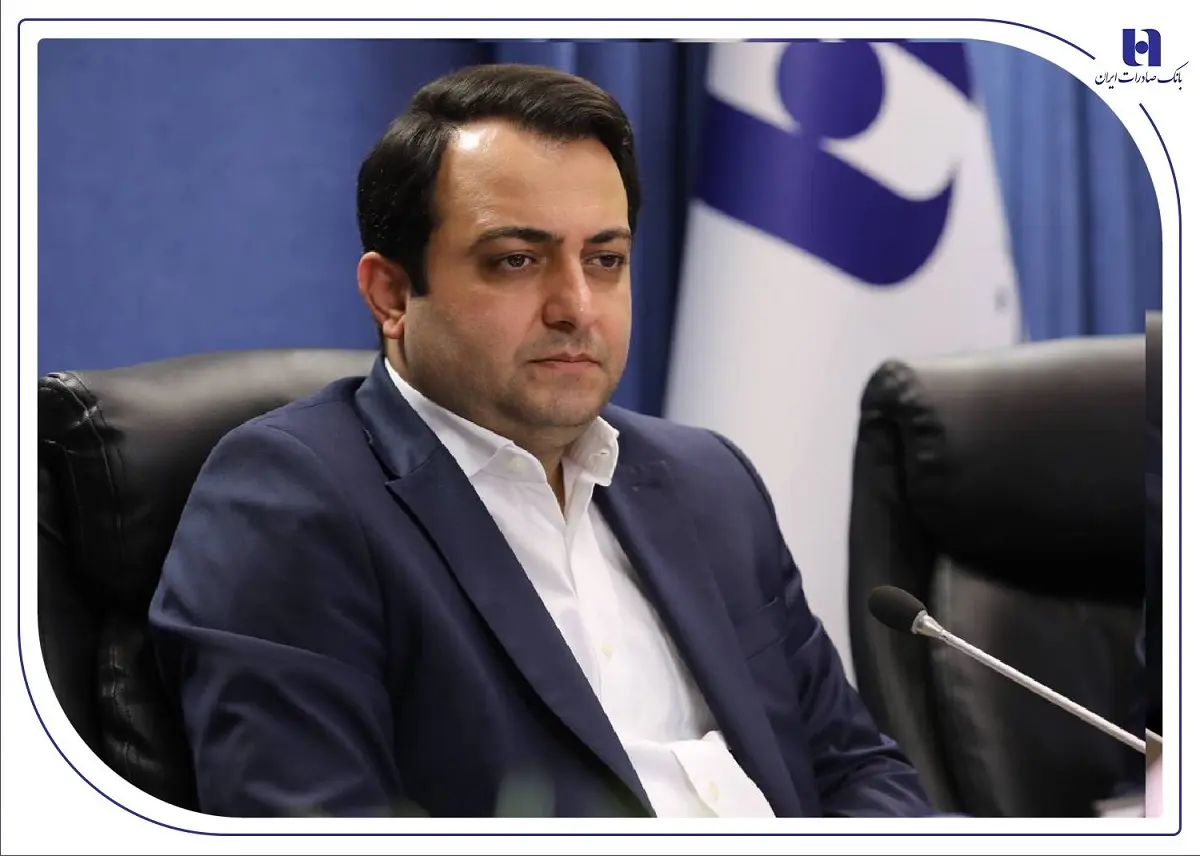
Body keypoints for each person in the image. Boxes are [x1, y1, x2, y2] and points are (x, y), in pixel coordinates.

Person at [148, 63, 933, 819]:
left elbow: (855, 769)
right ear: (391, 295)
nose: (577, 306)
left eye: (606, 259)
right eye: (517, 260)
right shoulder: (289, 501)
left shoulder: (709, 481)